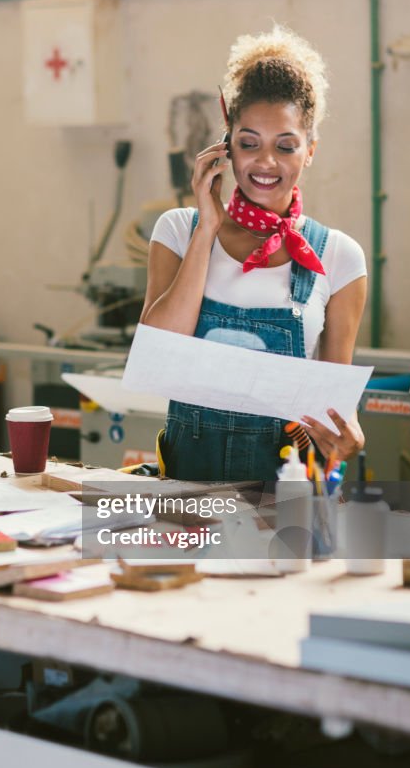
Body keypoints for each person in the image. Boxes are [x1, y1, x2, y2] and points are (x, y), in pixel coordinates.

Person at [140, 24, 367, 482]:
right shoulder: (179, 230)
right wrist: (208, 228)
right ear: (226, 145)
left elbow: (331, 410)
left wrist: (347, 438)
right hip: (184, 491)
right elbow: (158, 351)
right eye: (248, 144)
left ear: (310, 151)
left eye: (285, 146)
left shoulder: (339, 258)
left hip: (283, 500)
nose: (265, 163)